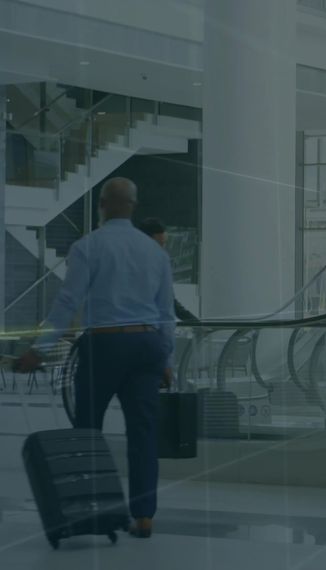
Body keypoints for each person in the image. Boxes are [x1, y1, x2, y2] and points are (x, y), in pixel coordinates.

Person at [15, 177, 175, 539]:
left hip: (104, 346)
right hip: (147, 346)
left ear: (102, 205)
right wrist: (168, 360)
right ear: (133, 205)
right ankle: (144, 517)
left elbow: (68, 302)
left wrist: (39, 349)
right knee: (143, 434)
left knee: (87, 431)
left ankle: (90, 507)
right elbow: (166, 313)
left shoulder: (89, 246)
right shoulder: (156, 253)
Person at [137, 217, 198, 323]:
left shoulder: (158, 266)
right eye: (158, 244)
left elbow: (169, 302)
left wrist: (196, 323)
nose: (162, 249)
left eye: (164, 244)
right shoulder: (128, 266)